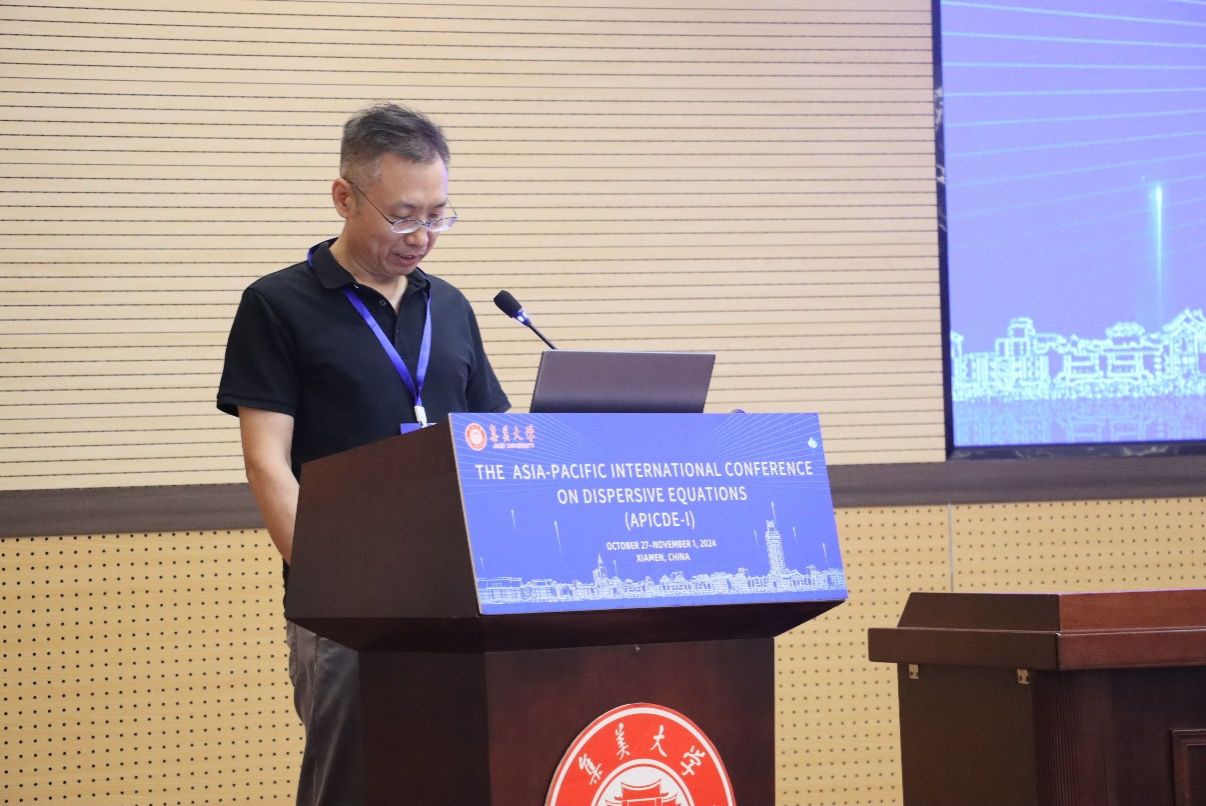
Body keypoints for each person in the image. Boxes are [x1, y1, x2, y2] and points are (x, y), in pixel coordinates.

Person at [216, 103, 509, 805]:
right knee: (353, 785)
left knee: (462, 779)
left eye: (438, 216)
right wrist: (334, 589)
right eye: (404, 216)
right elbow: (266, 463)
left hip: (459, 600)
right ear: (345, 197)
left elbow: (494, 445)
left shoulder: (452, 307)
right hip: (349, 611)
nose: (423, 237)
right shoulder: (278, 304)